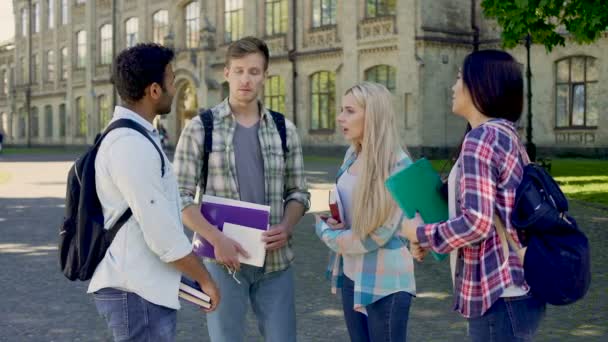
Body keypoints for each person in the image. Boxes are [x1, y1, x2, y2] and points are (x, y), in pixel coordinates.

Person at [402, 50, 546, 341]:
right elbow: (490, 215)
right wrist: (433, 240)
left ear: (480, 85)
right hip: (514, 291)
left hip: (498, 294)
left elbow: (476, 223)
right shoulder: (506, 135)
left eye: (458, 78)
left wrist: (419, 232)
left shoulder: (481, 139)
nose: (453, 87)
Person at [173, 36, 310, 342]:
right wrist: (216, 238)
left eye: (254, 71)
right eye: (239, 71)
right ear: (226, 73)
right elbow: (179, 197)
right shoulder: (200, 128)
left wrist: (287, 226)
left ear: (264, 76)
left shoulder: (284, 129)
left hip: (275, 263)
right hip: (222, 262)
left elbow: (299, 192)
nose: (245, 79)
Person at [88, 43, 220, 341]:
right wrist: (204, 278)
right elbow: (160, 233)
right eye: (171, 80)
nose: (175, 88)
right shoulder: (129, 144)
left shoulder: (137, 135)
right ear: (154, 91)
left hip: (141, 287)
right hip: (135, 291)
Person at [314, 82, 416, 342]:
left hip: (386, 282)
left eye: (349, 111)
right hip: (351, 273)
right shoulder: (351, 154)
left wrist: (326, 233)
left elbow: (378, 235)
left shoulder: (399, 165)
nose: (340, 117)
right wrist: (334, 220)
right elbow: (349, 210)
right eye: (341, 110)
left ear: (373, 115)